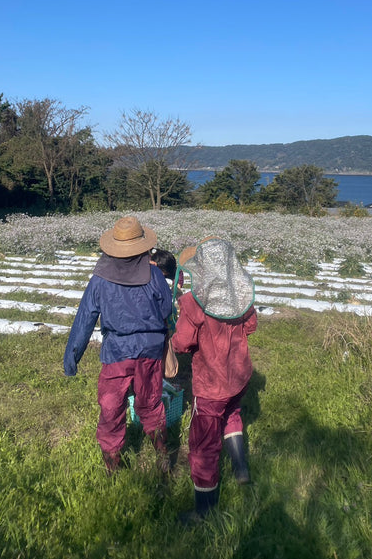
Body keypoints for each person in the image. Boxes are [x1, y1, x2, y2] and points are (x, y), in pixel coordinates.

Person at [63, 216, 173, 474]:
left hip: (117, 353)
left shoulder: (100, 280)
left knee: (112, 407)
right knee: (150, 401)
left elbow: (85, 319)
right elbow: (166, 308)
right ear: (143, 246)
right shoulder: (155, 274)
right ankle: (163, 454)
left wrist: (72, 359)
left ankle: (112, 467)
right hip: (150, 349)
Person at [172, 236, 257, 522]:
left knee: (203, 444)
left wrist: (169, 345)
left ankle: (204, 511)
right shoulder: (242, 295)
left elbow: (183, 342)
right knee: (232, 413)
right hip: (240, 374)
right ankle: (241, 468)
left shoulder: (195, 301)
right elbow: (252, 326)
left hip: (211, 384)